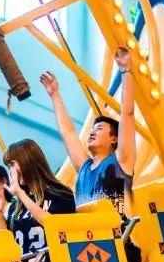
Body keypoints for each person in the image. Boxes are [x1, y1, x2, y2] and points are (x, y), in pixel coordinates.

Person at [40, 46, 137, 217]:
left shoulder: (121, 160)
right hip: (88, 233)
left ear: (114, 139)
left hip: (120, 232)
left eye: (99, 129)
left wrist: (126, 71)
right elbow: (67, 132)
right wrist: (54, 95)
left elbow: (127, 113)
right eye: (92, 129)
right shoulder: (83, 168)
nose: (92, 132)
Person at [0, 139, 75, 262]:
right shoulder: (16, 206)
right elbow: (9, 245)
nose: (11, 172)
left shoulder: (60, 193)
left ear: (27, 160)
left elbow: (53, 225)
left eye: (12, 164)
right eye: (8, 167)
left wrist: (21, 195)